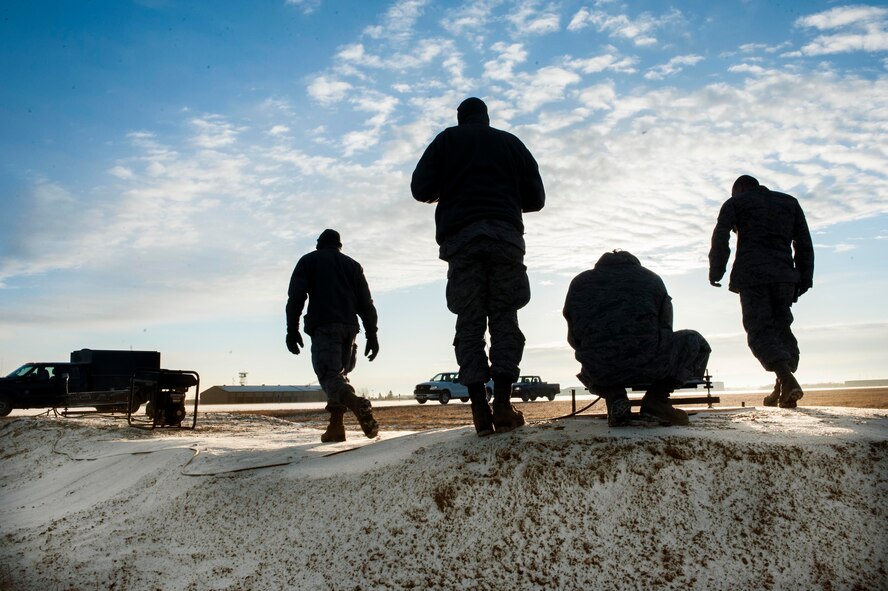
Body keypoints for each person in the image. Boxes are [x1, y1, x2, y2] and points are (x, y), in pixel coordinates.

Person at [411, 97, 545, 436]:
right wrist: (506, 196)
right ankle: (502, 402)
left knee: (469, 321)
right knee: (505, 317)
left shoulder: (446, 140)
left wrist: (451, 188)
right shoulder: (511, 143)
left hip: (463, 242)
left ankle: (478, 408)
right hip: (504, 240)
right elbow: (537, 199)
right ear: (486, 118)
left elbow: (420, 189)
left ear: (460, 119)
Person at [563, 250, 711, 426]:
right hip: (648, 363)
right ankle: (657, 399)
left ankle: (615, 395)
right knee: (697, 342)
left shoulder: (579, 283)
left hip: (600, 369)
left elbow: (574, 338)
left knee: (590, 352)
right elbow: (665, 327)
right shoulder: (651, 279)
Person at [709, 175, 814, 409]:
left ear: (739, 190)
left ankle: (786, 379)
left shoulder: (735, 203)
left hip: (753, 276)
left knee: (759, 329)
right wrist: (804, 278)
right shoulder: (790, 202)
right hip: (785, 278)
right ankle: (782, 388)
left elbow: (721, 236)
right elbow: (804, 243)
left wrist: (716, 270)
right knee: (782, 327)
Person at [286, 229, 380, 442]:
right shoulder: (353, 266)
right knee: (339, 376)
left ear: (319, 244)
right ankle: (336, 428)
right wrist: (372, 334)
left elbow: (296, 297)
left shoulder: (309, 261)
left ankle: (356, 404)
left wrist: (292, 330)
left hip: (325, 327)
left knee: (329, 375)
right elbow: (366, 304)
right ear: (339, 246)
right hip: (350, 329)